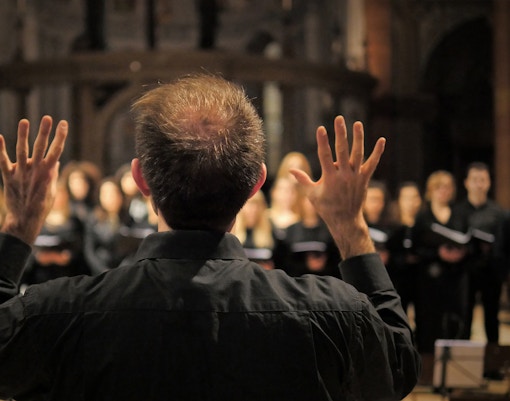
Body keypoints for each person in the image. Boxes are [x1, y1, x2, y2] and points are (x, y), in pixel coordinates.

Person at [0, 75, 420, 400]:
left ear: (141, 179)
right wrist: (351, 228)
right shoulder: (329, 315)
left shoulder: (61, 315)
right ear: (256, 183)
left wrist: (18, 229)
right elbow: (396, 367)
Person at [412, 170, 469, 353]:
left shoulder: (459, 214)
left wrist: (459, 253)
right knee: (429, 319)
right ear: (431, 190)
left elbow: (466, 240)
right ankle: (428, 363)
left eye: (447, 187)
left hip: (454, 275)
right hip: (430, 276)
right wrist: (438, 253)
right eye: (439, 187)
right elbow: (415, 247)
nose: (444, 191)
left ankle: (453, 365)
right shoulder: (423, 216)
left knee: (454, 318)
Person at [454, 162, 507, 343]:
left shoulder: (499, 213)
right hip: (464, 272)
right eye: (475, 180)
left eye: (483, 180)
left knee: (492, 318)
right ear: (466, 183)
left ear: (489, 183)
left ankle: (493, 368)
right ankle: (463, 365)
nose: (479, 184)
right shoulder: (457, 211)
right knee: (463, 316)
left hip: (490, 272)